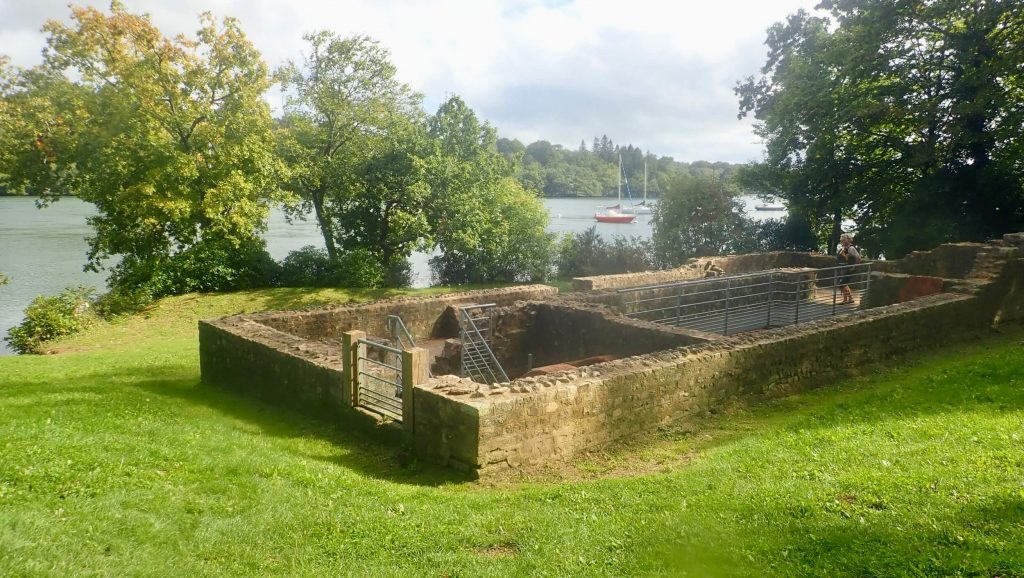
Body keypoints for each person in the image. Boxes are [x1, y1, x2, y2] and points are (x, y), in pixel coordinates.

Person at [836, 233, 861, 304]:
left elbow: (858, 258)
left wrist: (854, 267)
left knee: (842, 283)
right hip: (842, 268)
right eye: (841, 240)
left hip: (848, 268)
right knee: (844, 284)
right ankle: (847, 299)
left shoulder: (851, 248)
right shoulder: (844, 248)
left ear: (847, 240)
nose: (841, 241)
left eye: (843, 240)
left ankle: (849, 299)